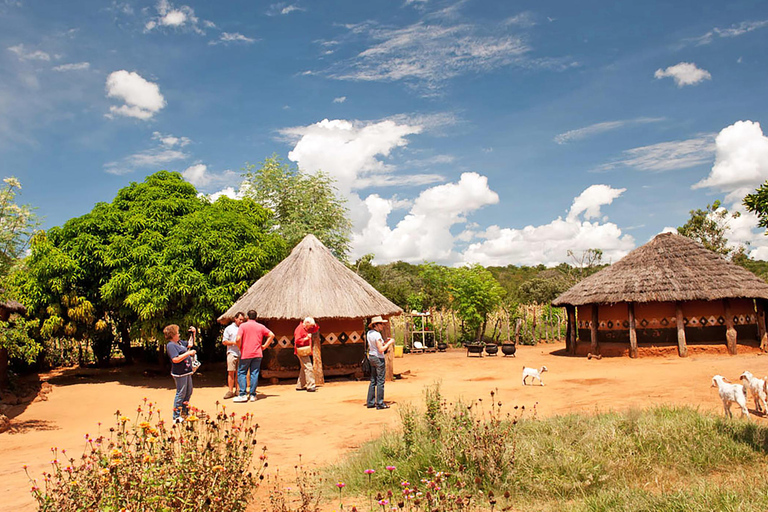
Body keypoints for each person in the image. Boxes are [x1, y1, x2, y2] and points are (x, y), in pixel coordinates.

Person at [234, 309, 275, 403]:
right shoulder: (260, 326)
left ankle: (243, 394)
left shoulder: (243, 326)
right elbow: (271, 335)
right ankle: (252, 395)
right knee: (254, 373)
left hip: (246, 353)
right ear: (256, 317)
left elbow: (238, 338)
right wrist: (264, 346)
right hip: (257, 353)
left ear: (247, 317)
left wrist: (240, 347)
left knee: (242, 373)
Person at [165, 324, 197, 422]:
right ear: (173, 335)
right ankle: (176, 416)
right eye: (177, 333)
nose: (179, 334)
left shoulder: (179, 343)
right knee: (181, 393)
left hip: (186, 371)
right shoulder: (171, 345)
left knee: (188, 391)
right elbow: (175, 359)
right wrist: (187, 353)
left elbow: (190, 344)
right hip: (179, 373)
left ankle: (184, 411)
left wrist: (194, 333)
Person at [366, 316, 395, 410]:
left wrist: (384, 342)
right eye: (381, 324)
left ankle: (370, 402)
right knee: (380, 381)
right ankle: (380, 403)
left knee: (373, 380)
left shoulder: (369, 333)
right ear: (376, 325)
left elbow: (375, 346)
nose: (382, 326)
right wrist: (389, 343)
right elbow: (381, 349)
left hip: (372, 357)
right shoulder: (377, 335)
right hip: (378, 358)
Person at [221, 312, 246, 399]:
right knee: (231, 371)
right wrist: (234, 343)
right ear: (235, 319)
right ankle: (230, 391)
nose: (241, 321)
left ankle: (238, 390)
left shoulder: (244, 328)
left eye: (243, 320)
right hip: (232, 352)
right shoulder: (229, 329)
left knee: (240, 372)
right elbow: (224, 341)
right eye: (240, 319)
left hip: (242, 353)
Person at [294, 316, 319, 392]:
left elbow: (315, 328)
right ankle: (311, 385)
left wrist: (313, 325)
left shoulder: (305, 328)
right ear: (307, 323)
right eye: (310, 325)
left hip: (304, 351)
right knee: (309, 367)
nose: (311, 327)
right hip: (301, 351)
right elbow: (297, 341)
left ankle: (300, 385)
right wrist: (306, 338)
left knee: (303, 368)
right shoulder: (300, 329)